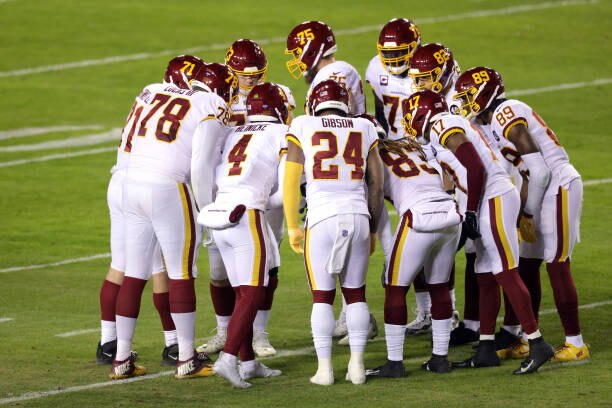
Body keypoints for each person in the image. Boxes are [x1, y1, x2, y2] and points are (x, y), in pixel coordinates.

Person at [403, 89, 554, 375]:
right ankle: (486, 347)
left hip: (493, 197)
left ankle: (536, 343)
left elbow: (475, 167)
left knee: (505, 271)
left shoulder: (441, 124)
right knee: (485, 275)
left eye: (411, 115)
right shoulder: (445, 127)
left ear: (422, 112)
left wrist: (470, 211)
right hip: (488, 197)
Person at [454, 66, 590, 363]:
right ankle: (524, 337)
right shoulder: (485, 124)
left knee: (557, 263)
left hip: (558, 183)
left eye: (467, 96)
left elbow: (540, 170)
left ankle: (576, 343)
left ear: (484, 94)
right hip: (536, 187)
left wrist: (526, 214)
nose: (464, 103)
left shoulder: (507, 111)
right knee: (526, 265)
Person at [110, 62, 236, 380]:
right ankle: (186, 358)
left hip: (129, 183)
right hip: (167, 186)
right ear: (222, 90)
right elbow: (200, 166)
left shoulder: (154, 89)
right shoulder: (212, 104)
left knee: (135, 273)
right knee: (182, 273)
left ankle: (121, 358)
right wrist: (209, 210)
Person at [98, 55, 207, 367]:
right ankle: (175, 345)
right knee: (163, 269)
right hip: (150, 180)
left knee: (124, 267)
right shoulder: (189, 101)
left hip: (122, 180)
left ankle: (110, 342)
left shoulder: (151, 91)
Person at [197, 39, 296, 358]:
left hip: (263, 189)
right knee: (219, 271)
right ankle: (226, 332)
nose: (251, 80)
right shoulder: (218, 97)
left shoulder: (276, 94)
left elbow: (288, 140)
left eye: (257, 74)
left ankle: (259, 335)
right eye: (244, 75)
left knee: (267, 267)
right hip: (226, 190)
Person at [283, 80, 384, 385]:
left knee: (322, 298)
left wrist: (291, 226)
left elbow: (290, 180)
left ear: (314, 103)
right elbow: (377, 185)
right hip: (358, 215)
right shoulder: (364, 128)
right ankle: (356, 367)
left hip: (322, 217)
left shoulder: (303, 124)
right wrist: (374, 229)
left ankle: (325, 370)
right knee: (355, 295)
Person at [366, 134, 461, 378]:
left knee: (395, 287)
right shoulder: (412, 147)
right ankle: (440, 359)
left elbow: (375, 195)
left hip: (418, 217)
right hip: (450, 212)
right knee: (439, 286)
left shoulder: (371, 155)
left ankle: (394, 363)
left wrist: (374, 234)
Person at [285, 20, 366, 115]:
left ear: (311, 51)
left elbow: (339, 120)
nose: (296, 60)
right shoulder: (335, 70)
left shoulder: (332, 75)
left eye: (297, 54)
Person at [365, 17, 421, 139]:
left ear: (415, 47)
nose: (393, 59)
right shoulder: (376, 67)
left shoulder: (426, 70)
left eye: (399, 53)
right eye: (387, 53)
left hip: (425, 146)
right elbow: (379, 109)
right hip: (394, 144)